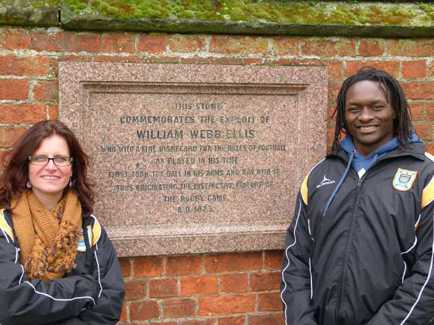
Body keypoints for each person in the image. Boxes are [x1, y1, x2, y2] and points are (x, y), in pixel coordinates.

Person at [280, 67, 434, 325]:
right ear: (343, 114)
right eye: (354, 109)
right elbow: (296, 258)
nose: (365, 117)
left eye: (376, 107)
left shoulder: (426, 176)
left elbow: (429, 274)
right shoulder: (319, 175)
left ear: (395, 109)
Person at [0, 120, 124, 324]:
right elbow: (10, 301)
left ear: (72, 168)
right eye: (40, 158)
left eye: (60, 159)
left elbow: (109, 303)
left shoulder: (90, 228)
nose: (51, 167)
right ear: (26, 166)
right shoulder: (5, 226)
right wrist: (84, 288)